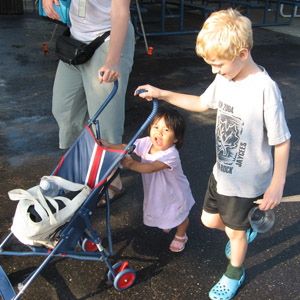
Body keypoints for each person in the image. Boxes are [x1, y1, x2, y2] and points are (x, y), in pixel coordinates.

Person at [134, 8, 291, 299]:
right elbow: (202, 103)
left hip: (247, 184)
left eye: (218, 65)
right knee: (208, 220)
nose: (213, 71)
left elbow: (281, 141)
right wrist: (162, 93)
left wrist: (277, 184)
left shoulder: (265, 90)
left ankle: (235, 272)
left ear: (242, 53)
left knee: (236, 234)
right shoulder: (226, 78)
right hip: (222, 173)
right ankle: (241, 231)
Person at [42, 0, 135, 205]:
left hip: (109, 40)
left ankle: (112, 180)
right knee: (65, 110)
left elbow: (120, 11)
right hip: (77, 39)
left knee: (105, 119)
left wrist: (113, 59)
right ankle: (84, 167)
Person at [100, 107, 195, 252]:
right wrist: (109, 145)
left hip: (175, 194)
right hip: (158, 192)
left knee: (180, 216)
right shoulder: (146, 143)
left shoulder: (171, 154)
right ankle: (168, 221)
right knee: (163, 210)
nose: (159, 132)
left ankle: (181, 235)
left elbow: (151, 167)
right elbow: (128, 147)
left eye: (166, 130)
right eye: (156, 127)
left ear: (175, 138)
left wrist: (132, 164)